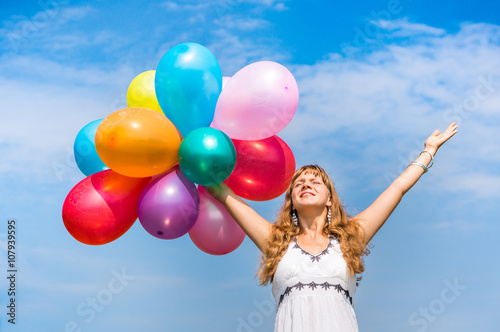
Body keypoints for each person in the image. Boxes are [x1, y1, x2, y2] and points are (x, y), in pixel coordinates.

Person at [205, 122, 458, 331]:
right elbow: (222, 193)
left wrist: (429, 151)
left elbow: (397, 188)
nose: (306, 184)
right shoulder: (275, 241)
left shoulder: (350, 237)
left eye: (315, 181)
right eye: (299, 183)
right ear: (291, 201)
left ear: (329, 199)